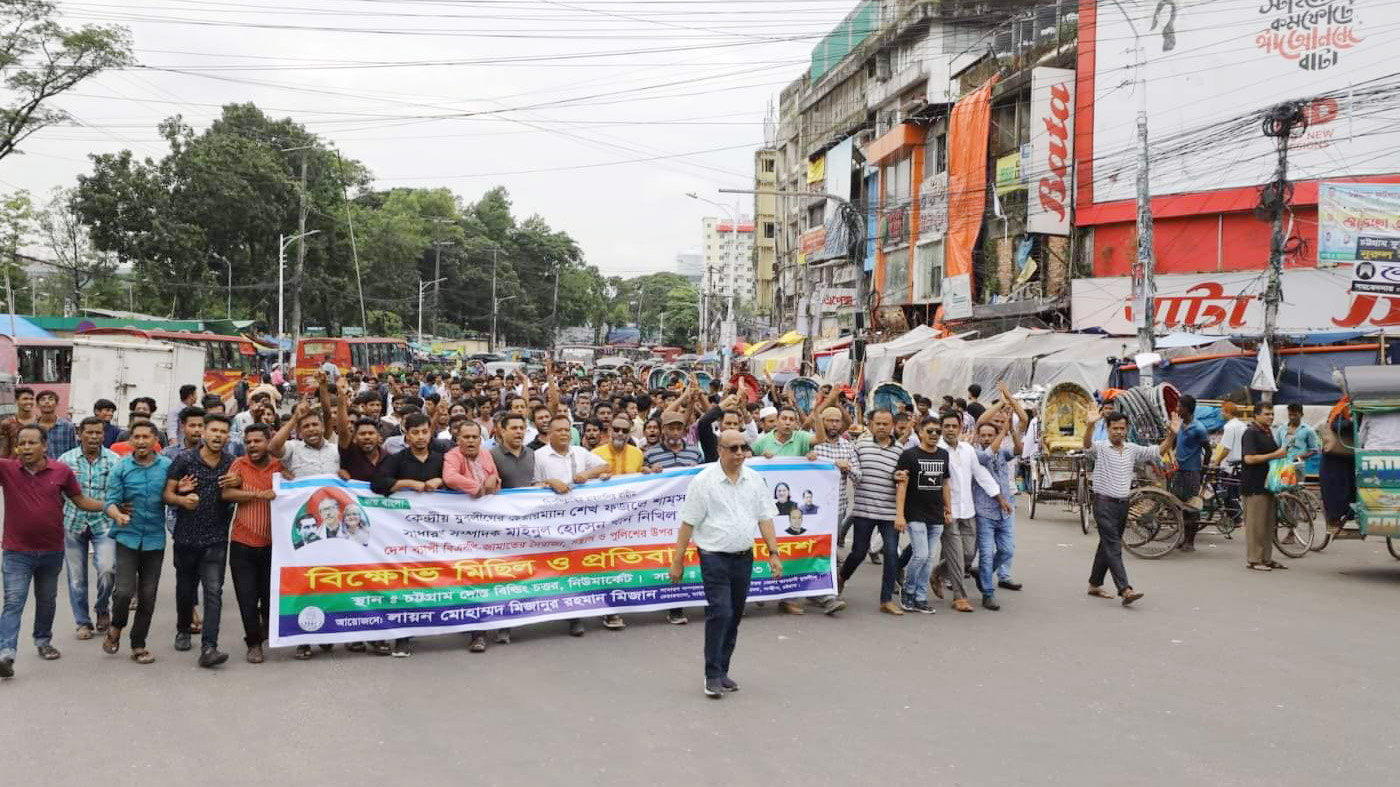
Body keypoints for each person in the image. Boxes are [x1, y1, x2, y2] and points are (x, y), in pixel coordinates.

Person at [670, 429, 782, 699]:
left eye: (743, 448)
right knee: (720, 612)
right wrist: (678, 560)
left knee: (735, 615)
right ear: (719, 450)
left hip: (744, 557)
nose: (740, 453)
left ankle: (723, 671)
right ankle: (711, 675)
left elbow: (765, 517)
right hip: (713, 557)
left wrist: (774, 552)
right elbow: (688, 522)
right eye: (733, 448)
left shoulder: (754, 480)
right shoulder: (704, 481)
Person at [0, 424, 108, 678]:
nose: (25, 448)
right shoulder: (7, 469)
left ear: (45, 446)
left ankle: (42, 640)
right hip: (17, 552)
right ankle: (6, 653)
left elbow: (80, 501)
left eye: (31, 443)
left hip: (51, 550)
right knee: (14, 601)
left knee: (47, 600)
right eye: (22, 443)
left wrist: (110, 507)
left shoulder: (61, 471)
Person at [163, 413, 237, 668]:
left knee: (214, 591)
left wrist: (237, 483)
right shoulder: (184, 460)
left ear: (228, 437)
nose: (218, 436)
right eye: (213, 431)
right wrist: (182, 498)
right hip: (185, 537)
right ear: (204, 433)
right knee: (185, 590)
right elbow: (167, 494)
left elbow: (237, 492)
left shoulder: (231, 463)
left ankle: (209, 647)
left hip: (216, 538)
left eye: (223, 432)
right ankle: (183, 628)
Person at [532, 414, 618, 635]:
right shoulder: (539, 456)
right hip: (553, 523)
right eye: (558, 430)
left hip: (582, 521)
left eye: (566, 430)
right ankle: (564, 612)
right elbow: (532, 486)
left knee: (583, 565)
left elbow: (605, 466)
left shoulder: (579, 452)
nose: (563, 433)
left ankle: (583, 614)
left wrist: (587, 474)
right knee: (559, 567)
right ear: (549, 434)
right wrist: (551, 482)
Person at [1082, 407, 1177, 604]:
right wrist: (1090, 424)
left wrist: (1171, 435)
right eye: (1114, 428)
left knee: (1106, 546)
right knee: (1114, 546)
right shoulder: (1100, 447)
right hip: (1104, 504)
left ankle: (1094, 584)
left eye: (1122, 428)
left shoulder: (1132, 449)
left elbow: (1158, 450)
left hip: (1122, 504)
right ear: (1107, 429)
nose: (1118, 431)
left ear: (1126, 429)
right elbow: (1087, 445)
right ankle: (1125, 589)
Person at [370, 412, 444, 658]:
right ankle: (403, 637)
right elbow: (377, 483)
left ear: (430, 433)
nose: (421, 437)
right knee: (405, 583)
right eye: (415, 433)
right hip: (404, 535)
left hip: (438, 534)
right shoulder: (398, 459)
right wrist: (407, 484)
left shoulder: (440, 459)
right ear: (406, 434)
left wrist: (440, 480)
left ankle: (463, 626)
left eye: (424, 432)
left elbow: (456, 482)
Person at [102, 422, 170, 665]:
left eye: (146, 437)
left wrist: (181, 492)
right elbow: (109, 501)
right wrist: (117, 515)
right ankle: (116, 626)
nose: (141, 441)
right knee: (123, 592)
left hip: (154, 541)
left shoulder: (167, 467)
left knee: (148, 596)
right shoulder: (121, 468)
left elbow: (172, 494)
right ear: (130, 441)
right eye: (136, 437)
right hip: (127, 538)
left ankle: (138, 644)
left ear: (155, 441)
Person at [935, 410, 1008, 614]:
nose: (950, 430)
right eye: (946, 426)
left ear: (960, 428)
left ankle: (938, 571)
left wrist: (999, 497)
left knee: (968, 554)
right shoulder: (937, 450)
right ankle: (960, 597)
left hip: (968, 510)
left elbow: (981, 474)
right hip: (948, 511)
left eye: (954, 426)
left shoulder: (967, 449)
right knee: (958, 555)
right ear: (942, 428)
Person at [221, 424, 282, 664]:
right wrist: (257, 494)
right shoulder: (239, 465)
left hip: (273, 545)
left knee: (269, 597)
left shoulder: (280, 466)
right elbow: (227, 494)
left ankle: (264, 627)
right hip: (242, 543)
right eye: (249, 442)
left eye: (258, 441)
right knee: (246, 597)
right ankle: (253, 644)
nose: (253, 446)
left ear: (269, 441)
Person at [59, 417, 119, 640]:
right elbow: (56, 492)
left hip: (103, 523)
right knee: (76, 577)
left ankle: (102, 608)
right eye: (89, 432)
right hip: (72, 522)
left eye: (98, 433)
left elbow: (118, 492)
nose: (94, 437)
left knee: (107, 568)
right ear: (80, 434)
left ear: (103, 435)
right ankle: (82, 622)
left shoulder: (114, 460)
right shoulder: (66, 460)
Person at [843, 409, 906, 615]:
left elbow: (904, 481)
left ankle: (886, 599)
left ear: (892, 426)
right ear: (871, 425)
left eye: (885, 424)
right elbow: (852, 471)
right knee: (858, 553)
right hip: (863, 510)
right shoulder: (859, 446)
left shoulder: (900, 450)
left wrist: (900, 512)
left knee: (890, 554)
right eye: (877, 423)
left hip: (889, 513)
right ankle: (842, 578)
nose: (881, 427)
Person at [971, 384, 1026, 610]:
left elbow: (1018, 451)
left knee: (1006, 551)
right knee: (985, 554)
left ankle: (983, 575)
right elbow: (986, 450)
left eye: (989, 435)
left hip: (1005, 509)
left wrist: (1010, 428)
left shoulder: (1002, 450)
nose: (985, 438)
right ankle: (988, 591)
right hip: (984, 511)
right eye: (982, 435)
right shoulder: (976, 453)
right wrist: (1000, 412)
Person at [894, 416, 951, 615]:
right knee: (921, 555)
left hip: (936, 515)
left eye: (938, 431)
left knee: (929, 559)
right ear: (920, 433)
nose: (934, 434)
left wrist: (948, 508)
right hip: (914, 513)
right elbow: (901, 486)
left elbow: (945, 483)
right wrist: (900, 515)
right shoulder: (909, 455)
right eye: (930, 431)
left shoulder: (944, 454)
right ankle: (907, 591)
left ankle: (920, 597)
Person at [1242, 405, 1289, 572]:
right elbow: (1249, 459)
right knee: (1256, 526)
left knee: (1268, 525)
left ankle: (1266, 558)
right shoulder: (1251, 433)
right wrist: (1275, 455)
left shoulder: (1268, 432)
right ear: (1256, 416)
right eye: (1267, 414)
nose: (1271, 417)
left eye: (1272, 414)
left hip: (1269, 484)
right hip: (1254, 485)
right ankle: (1254, 560)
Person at [1172, 394, 1210, 552]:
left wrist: (1204, 471)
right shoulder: (1179, 425)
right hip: (1178, 471)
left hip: (1192, 471)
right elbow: (1173, 444)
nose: (1177, 409)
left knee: (1192, 508)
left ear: (1187, 409)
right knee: (1180, 506)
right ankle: (1183, 538)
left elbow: (1208, 450)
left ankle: (1190, 541)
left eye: (1179, 406)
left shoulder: (1199, 429)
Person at [1274, 403, 1321, 478]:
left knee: (1297, 487)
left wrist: (1299, 457)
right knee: (1281, 487)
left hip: (1298, 467)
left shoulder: (1308, 430)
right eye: (1290, 415)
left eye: (1295, 415)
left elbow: (1314, 450)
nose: (1292, 417)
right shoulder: (1281, 429)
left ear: (1301, 415)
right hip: (1282, 466)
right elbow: (1277, 447)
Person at [37, 390, 76, 459]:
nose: (47, 402)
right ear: (37, 405)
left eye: (51, 399)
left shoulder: (68, 427)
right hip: (39, 468)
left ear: (57, 404)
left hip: (62, 467)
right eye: (43, 399)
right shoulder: (32, 428)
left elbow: (73, 451)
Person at [0, 386, 38, 457]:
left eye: (31, 399)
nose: (29, 402)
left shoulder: (39, 421)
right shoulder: (7, 423)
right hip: (14, 465)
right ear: (17, 401)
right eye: (25, 399)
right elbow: (4, 449)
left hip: (36, 465)